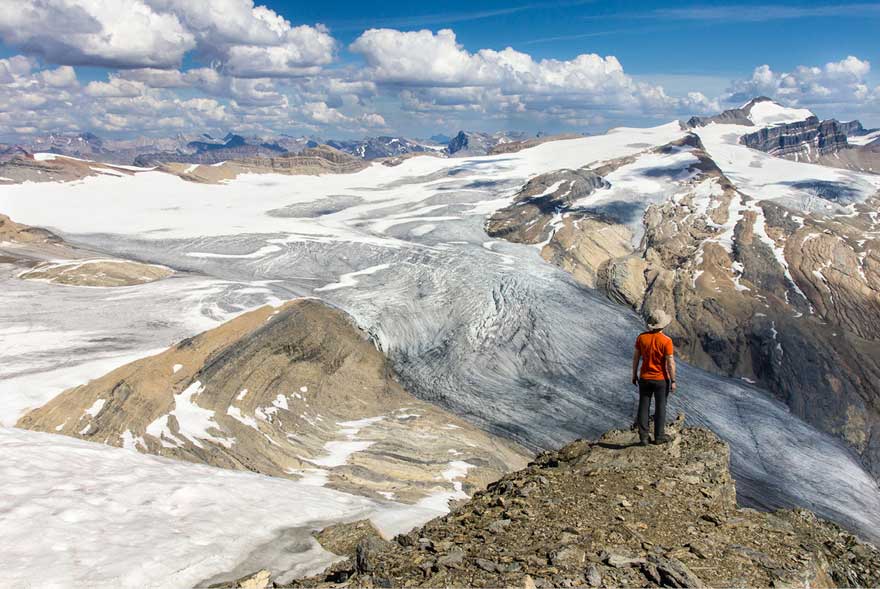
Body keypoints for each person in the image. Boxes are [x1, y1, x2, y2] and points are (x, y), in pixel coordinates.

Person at [631, 309, 676, 446]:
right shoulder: (666, 341)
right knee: (660, 407)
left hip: (644, 377)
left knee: (643, 405)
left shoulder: (641, 338)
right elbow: (670, 363)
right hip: (661, 379)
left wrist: (634, 374)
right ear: (663, 325)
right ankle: (659, 436)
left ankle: (644, 437)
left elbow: (636, 358)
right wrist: (673, 380)